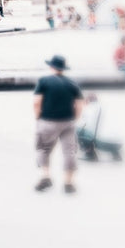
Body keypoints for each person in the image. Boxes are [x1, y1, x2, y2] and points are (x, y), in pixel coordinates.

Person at [33, 55, 84, 193]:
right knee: (69, 151)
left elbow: (37, 102)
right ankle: (68, 182)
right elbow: (79, 104)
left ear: (51, 67)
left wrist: (38, 118)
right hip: (68, 122)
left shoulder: (44, 81)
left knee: (43, 149)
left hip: (48, 121)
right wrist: (75, 118)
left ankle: (45, 176)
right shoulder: (72, 83)